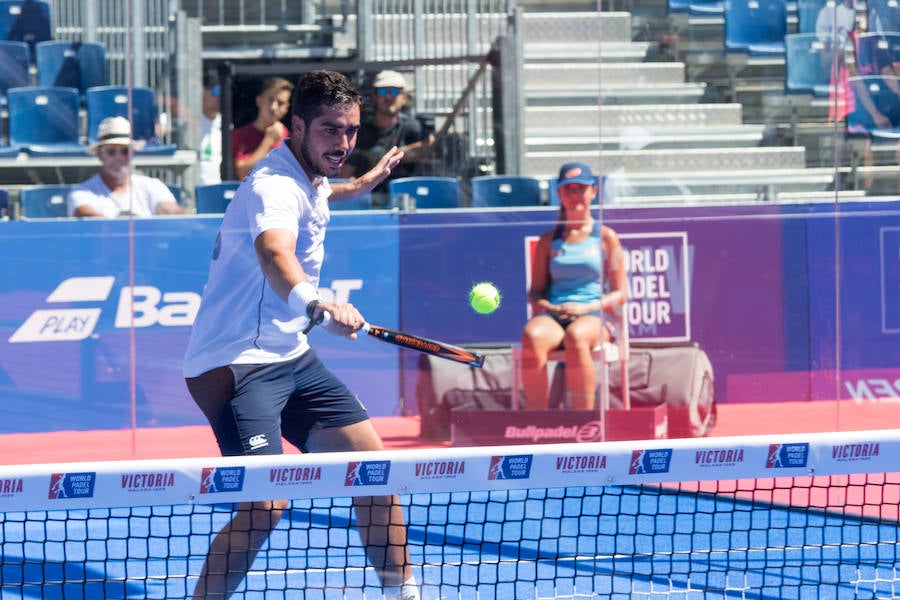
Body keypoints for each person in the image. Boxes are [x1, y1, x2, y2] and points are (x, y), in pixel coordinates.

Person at [182, 70, 416, 599]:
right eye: (331, 130)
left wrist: (361, 182)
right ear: (298, 126)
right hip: (235, 365)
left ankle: (406, 595)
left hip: (292, 356)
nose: (345, 142)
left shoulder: (308, 174)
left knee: (375, 473)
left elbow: (325, 188)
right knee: (266, 504)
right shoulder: (273, 187)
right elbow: (275, 254)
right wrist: (317, 303)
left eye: (352, 130)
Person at [520, 162, 628, 411]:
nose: (575, 196)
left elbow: (621, 293)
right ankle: (538, 423)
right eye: (568, 190)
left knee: (577, 336)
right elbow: (535, 294)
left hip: (594, 316)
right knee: (532, 335)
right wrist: (552, 307)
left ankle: (583, 422)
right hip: (556, 316)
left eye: (581, 189)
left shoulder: (607, 236)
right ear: (559, 194)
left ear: (593, 192)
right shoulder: (549, 240)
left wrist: (585, 308)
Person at [340, 70, 434, 204]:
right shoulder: (360, 131)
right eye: (383, 92)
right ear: (374, 97)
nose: (389, 97)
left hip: (406, 200)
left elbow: (429, 145)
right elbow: (345, 175)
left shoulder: (412, 128)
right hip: (368, 202)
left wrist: (392, 156)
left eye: (395, 92)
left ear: (404, 98)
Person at [67, 116, 187, 218]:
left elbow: (172, 211)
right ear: (99, 155)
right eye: (110, 151)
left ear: (132, 153)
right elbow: (89, 217)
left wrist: (189, 219)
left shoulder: (153, 186)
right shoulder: (82, 192)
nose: (118, 157)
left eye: (124, 150)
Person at [231, 77, 294, 180]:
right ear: (259, 100)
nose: (273, 107)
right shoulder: (239, 135)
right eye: (270, 100)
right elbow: (242, 174)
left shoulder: (290, 138)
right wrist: (268, 141)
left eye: (280, 103)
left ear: (286, 108)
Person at [200, 70, 222, 185]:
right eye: (216, 91)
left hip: (216, 189)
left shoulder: (225, 124)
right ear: (202, 91)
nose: (220, 97)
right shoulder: (187, 120)